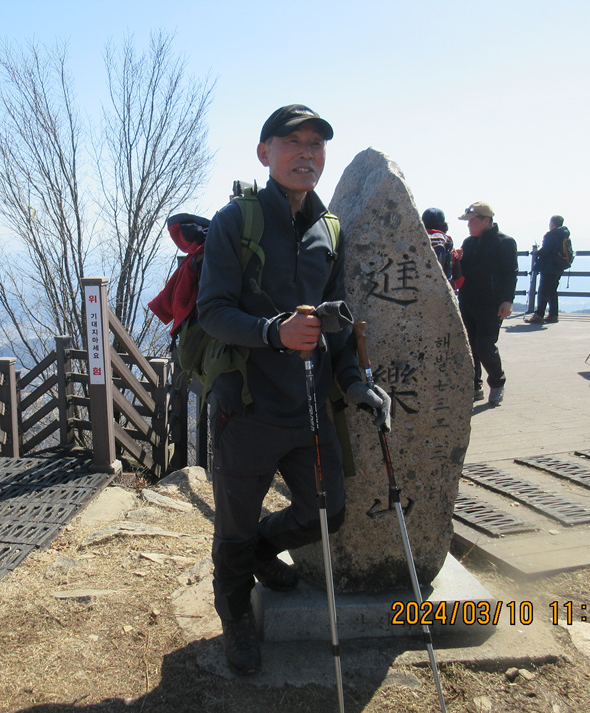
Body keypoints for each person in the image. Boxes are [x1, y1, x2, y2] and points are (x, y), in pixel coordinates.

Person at [196, 104, 392, 676]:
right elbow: (213, 311)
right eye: (293, 142)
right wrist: (272, 333)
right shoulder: (236, 220)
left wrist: (355, 383)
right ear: (265, 153)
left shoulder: (328, 228)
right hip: (246, 407)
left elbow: (334, 325)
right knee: (234, 527)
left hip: (309, 408)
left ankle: (263, 549)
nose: (307, 153)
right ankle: (235, 616)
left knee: (326, 511)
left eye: (316, 144)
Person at [457, 201, 518, 405]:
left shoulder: (504, 242)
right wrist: (458, 260)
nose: (469, 225)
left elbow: (510, 273)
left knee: (484, 345)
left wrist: (507, 301)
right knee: (470, 347)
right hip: (468, 301)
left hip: (491, 304)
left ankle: (498, 382)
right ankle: (475, 385)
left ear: (486, 220)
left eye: (472, 221)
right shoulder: (468, 243)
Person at [526, 215, 570, 324]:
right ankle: (553, 315)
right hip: (559, 266)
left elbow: (545, 251)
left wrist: (536, 252)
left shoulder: (551, 235)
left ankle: (538, 315)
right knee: (552, 291)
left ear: (552, 223)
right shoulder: (564, 235)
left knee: (543, 291)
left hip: (549, 267)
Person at [422, 207, 456, 286]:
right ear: (444, 225)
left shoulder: (414, 238)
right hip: (440, 289)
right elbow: (458, 279)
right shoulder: (447, 242)